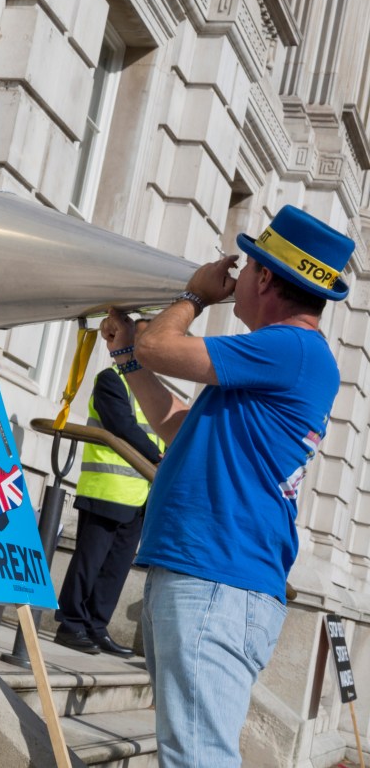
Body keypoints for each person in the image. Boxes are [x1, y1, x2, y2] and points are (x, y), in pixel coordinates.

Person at [99, 205, 352, 768]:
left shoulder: (290, 347)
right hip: (213, 576)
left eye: (245, 270)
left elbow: (161, 347)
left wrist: (194, 296)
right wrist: (125, 356)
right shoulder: (276, 359)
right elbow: (177, 426)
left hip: (216, 578)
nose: (233, 281)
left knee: (196, 759)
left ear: (265, 277)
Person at [53, 365, 165, 656]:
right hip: (106, 487)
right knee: (89, 562)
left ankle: (96, 627)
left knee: (116, 568)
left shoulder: (150, 386)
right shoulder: (111, 379)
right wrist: (160, 458)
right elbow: (121, 426)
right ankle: (71, 624)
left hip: (140, 493)